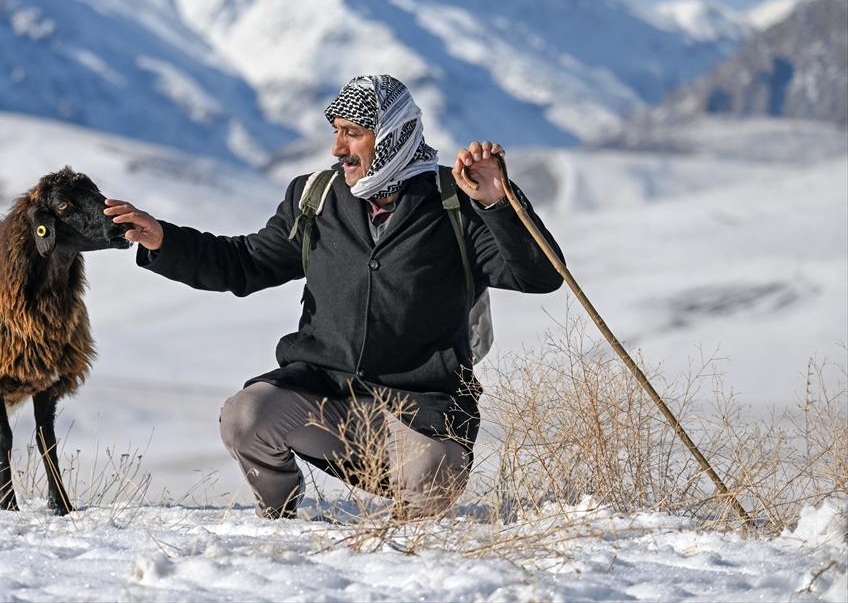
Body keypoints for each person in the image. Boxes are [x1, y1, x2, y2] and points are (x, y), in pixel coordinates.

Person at [104, 75, 563, 518]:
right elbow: (245, 263)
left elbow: (539, 276)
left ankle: (401, 543)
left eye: (353, 133)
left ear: (392, 136)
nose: (337, 148)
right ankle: (281, 517)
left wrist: (498, 202)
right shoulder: (316, 198)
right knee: (245, 417)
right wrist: (165, 240)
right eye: (337, 132)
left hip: (418, 413)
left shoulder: (455, 203)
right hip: (323, 399)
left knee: (431, 477)